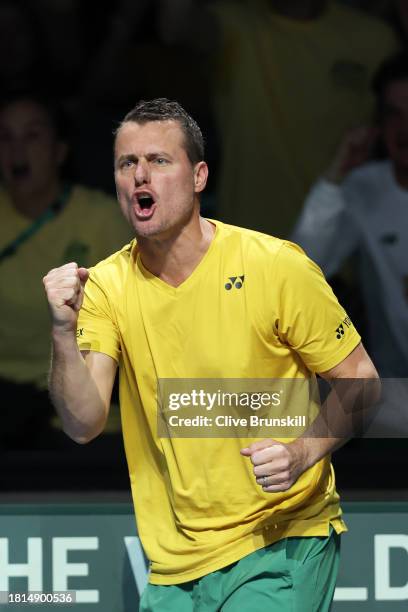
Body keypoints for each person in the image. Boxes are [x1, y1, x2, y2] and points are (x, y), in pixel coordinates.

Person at [43, 98, 378, 610]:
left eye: (158, 160)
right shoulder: (106, 286)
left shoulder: (275, 267)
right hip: (175, 564)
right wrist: (63, 333)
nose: (139, 176)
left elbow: (362, 383)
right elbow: (84, 423)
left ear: (198, 176)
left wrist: (301, 453)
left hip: (281, 541)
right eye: (126, 163)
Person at [157, 0, 398, 237]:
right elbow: (174, 26)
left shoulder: (374, 39)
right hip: (249, 247)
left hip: (342, 252)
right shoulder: (234, 25)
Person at [0, 92, 132, 448]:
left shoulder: (105, 221)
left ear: (59, 151)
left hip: (81, 418)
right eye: (6, 137)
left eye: (32, 136)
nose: (16, 150)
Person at [292, 52, 408, 379]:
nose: (404, 128)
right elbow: (302, 269)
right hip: (395, 399)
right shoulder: (363, 188)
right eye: (394, 115)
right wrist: (334, 177)